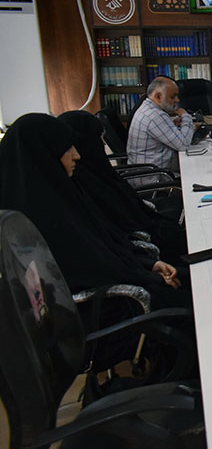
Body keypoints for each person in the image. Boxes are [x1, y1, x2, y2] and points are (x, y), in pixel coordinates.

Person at [0, 113, 192, 311]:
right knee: (193, 296)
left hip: (128, 280)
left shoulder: (62, 195)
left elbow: (105, 247)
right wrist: (148, 275)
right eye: (67, 148)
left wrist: (148, 265)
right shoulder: (37, 219)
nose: (77, 155)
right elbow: (90, 271)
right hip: (107, 306)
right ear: (43, 156)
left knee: (192, 280)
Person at [58, 110, 188, 264]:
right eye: (99, 138)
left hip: (144, 239)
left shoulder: (93, 169)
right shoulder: (84, 183)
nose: (104, 143)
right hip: (145, 250)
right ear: (86, 141)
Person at [127, 76, 193, 183]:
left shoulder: (148, 108)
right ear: (158, 96)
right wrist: (186, 116)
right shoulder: (154, 115)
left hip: (150, 173)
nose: (177, 100)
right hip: (154, 180)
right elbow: (183, 144)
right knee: (197, 176)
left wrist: (173, 126)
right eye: (173, 96)